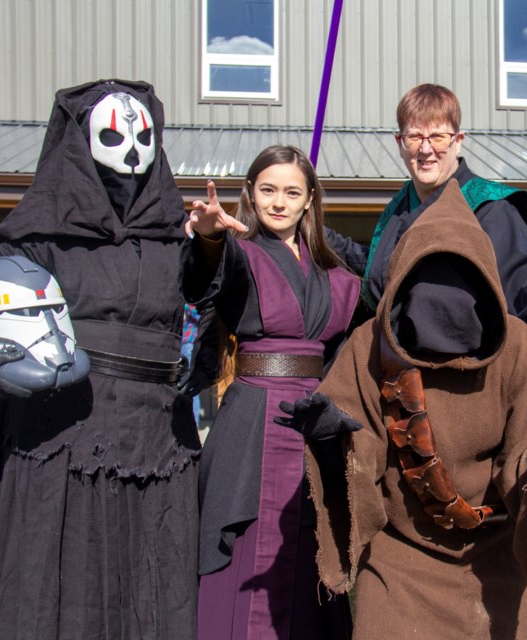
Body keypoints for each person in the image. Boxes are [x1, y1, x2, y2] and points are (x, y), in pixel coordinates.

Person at [324, 82, 527, 619]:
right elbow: (379, 283)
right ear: (398, 141)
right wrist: (315, 236)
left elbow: (524, 273)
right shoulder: (397, 211)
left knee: (489, 566)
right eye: (415, 136)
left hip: (476, 404)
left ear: (460, 139)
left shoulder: (489, 205)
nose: (427, 148)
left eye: (439, 135)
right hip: (408, 406)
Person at [277, 179, 527, 640]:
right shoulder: (371, 346)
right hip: (401, 560)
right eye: (427, 280)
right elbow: (358, 437)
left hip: (495, 557)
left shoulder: (519, 348)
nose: (443, 303)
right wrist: (331, 437)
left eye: (459, 281)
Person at [0, 79, 201, 639]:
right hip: (61, 438)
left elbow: (227, 308)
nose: (128, 154)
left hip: (158, 440)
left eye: (142, 136)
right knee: (59, 581)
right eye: (113, 136)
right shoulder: (35, 235)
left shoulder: (182, 241)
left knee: (151, 582)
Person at [181, 145, 359, 640]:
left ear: (309, 201)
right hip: (253, 419)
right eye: (267, 190)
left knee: (309, 540)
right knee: (249, 547)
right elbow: (203, 278)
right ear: (251, 195)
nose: (278, 202)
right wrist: (210, 237)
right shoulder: (239, 252)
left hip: (315, 421)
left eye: (291, 192)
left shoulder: (338, 274)